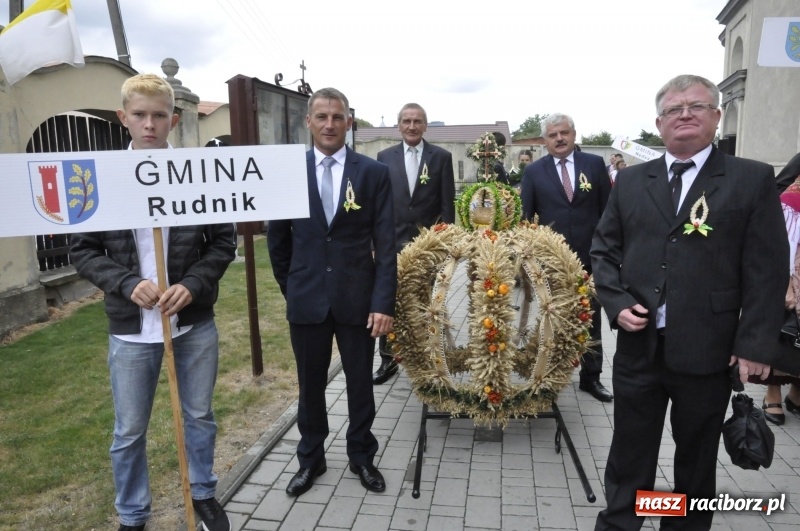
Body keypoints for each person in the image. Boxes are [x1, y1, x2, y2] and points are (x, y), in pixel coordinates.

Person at [590, 74, 788, 530]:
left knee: (695, 461)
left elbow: (767, 269)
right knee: (630, 452)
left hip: (707, 348)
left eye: (696, 106)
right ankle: (621, 523)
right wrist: (616, 302)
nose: (685, 114)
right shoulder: (633, 181)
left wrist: (756, 344)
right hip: (639, 348)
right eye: (674, 109)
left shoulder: (750, 179)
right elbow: (603, 250)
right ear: (659, 123)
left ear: (716, 117)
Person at [70, 73, 235, 531]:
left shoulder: (198, 174)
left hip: (192, 322)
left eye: (159, 115)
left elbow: (222, 242)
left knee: (199, 415)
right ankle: (133, 514)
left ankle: (202, 493)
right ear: (124, 118)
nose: (149, 124)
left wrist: (194, 284)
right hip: (130, 325)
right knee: (128, 432)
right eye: (139, 115)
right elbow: (81, 249)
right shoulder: (99, 178)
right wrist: (125, 282)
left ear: (173, 120)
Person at [267, 87, 396, 497]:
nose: (329, 124)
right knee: (310, 386)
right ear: (308, 122)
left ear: (349, 122)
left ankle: (361, 456)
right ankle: (311, 459)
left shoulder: (373, 173)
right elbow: (277, 241)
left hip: (357, 299)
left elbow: (387, 243)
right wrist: (293, 288)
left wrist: (382, 302)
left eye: (337, 117)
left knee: (360, 384)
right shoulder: (289, 172)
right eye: (321, 116)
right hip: (306, 298)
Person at [520, 113, 613, 402]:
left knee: (591, 318)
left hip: (590, 257)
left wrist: (608, 252)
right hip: (552, 260)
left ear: (574, 134)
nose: (559, 139)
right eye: (553, 135)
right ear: (544, 140)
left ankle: (591, 377)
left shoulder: (594, 165)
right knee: (553, 316)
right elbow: (527, 219)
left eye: (564, 133)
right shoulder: (534, 172)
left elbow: (609, 211)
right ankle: (551, 373)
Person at [373, 103, 455, 385]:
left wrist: (444, 245)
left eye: (417, 121)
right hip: (391, 245)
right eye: (406, 121)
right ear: (399, 125)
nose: (411, 126)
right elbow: (378, 204)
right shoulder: (384, 157)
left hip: (427, 246)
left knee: (426, 301)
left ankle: (425, 355)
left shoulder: (441, 158)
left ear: (425, 126)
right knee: (387, 300)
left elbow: (447, 205)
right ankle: (387, 360)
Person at [758, 168, 800, 425]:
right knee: (781, 334)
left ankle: (796, 392)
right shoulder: (790, 199)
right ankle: (771, 393)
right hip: (790, 272)